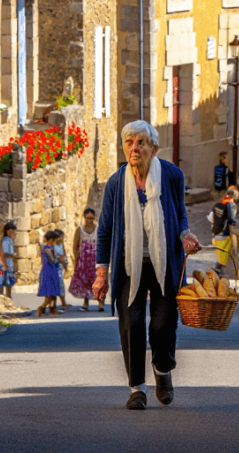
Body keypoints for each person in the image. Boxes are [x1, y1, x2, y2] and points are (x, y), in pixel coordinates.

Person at [92, 121, 202, 410]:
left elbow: (180, 215)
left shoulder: (172, 175)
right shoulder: (116, 183)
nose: (134, 148)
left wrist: (186, 235)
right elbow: (105, 231)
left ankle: (163, 371)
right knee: (132, 324)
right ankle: (137, 389)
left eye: (140, 143)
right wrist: (101, 274)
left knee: (163, 324)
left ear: (154, 148)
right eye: (129, 142)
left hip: (164, 263)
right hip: (129, 266)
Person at [69, 207, 104, 311]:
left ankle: (100, 303)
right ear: (84, 218)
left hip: (95, 261)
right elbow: (75, 246)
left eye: (91, 218)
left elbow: (102, 244)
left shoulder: (98, 229)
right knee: (85, 281)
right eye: (87, 218)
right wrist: (76, 260)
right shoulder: (79, 230)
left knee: (97, 281)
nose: (89, 221)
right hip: (83, 261)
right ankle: (85, 303)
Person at [210, 187, 239, 278]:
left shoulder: (218, 204)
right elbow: (231, 219)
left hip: (215, 233)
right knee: (224, 254)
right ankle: (216, 273)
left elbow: (212, 217)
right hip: (224, 233)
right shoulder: (230, 204)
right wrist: (237, 223)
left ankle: (217, 272)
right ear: (234, 197)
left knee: (219, 254)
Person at [37, 230, 64, 316]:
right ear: (52, 239)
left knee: (52, 293)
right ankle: (41, 307)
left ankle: (50, 309)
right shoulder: (48, 248)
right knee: (50, 293)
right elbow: (53, 260)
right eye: (55, 239)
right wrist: (59, 259)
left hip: (51, 271)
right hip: (49, 272)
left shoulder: (49, 248)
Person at [0, 222, 17, 298]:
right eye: (12, 230)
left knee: (1, 283)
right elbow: (5, 254)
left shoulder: (5, 239)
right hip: (5, 264)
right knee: (6, 284)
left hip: (3, 264)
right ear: (8, 230)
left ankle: (3, 299)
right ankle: (7, 299)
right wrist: (12, 255)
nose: (14, 232)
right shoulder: (6, 240)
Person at [54, 228, 71, 309]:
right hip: (54, 267)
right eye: (61, 237)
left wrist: (66, 266)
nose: (62, 239)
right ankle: (52, 304)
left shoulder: (61, 245)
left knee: (61, 285)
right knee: (54, 286)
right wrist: (61, 260)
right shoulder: (52, 246)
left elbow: (64, 254)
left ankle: (63, 302)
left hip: (60, 268)